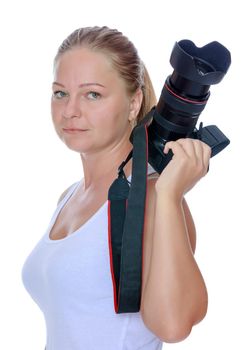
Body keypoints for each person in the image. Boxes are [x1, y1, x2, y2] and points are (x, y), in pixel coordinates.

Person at [22, 26, 211, 350]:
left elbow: (174, 325)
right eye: (60, 93)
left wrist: (169, 195)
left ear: (134, 103)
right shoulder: (68, 197)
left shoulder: (151, 196)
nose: (70, 110)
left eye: (92, 94)